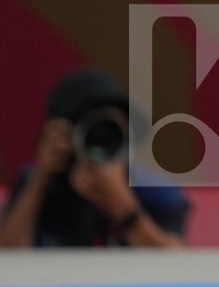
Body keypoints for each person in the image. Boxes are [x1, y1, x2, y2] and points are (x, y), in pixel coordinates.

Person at [0, 69, 187, 249]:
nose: (100, 137)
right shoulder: (34, 183)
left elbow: (177, 266)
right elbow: (8, 262)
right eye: (89, 125)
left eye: (110, 125)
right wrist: (39, 180)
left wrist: (124, 208)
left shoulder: (155, 191)